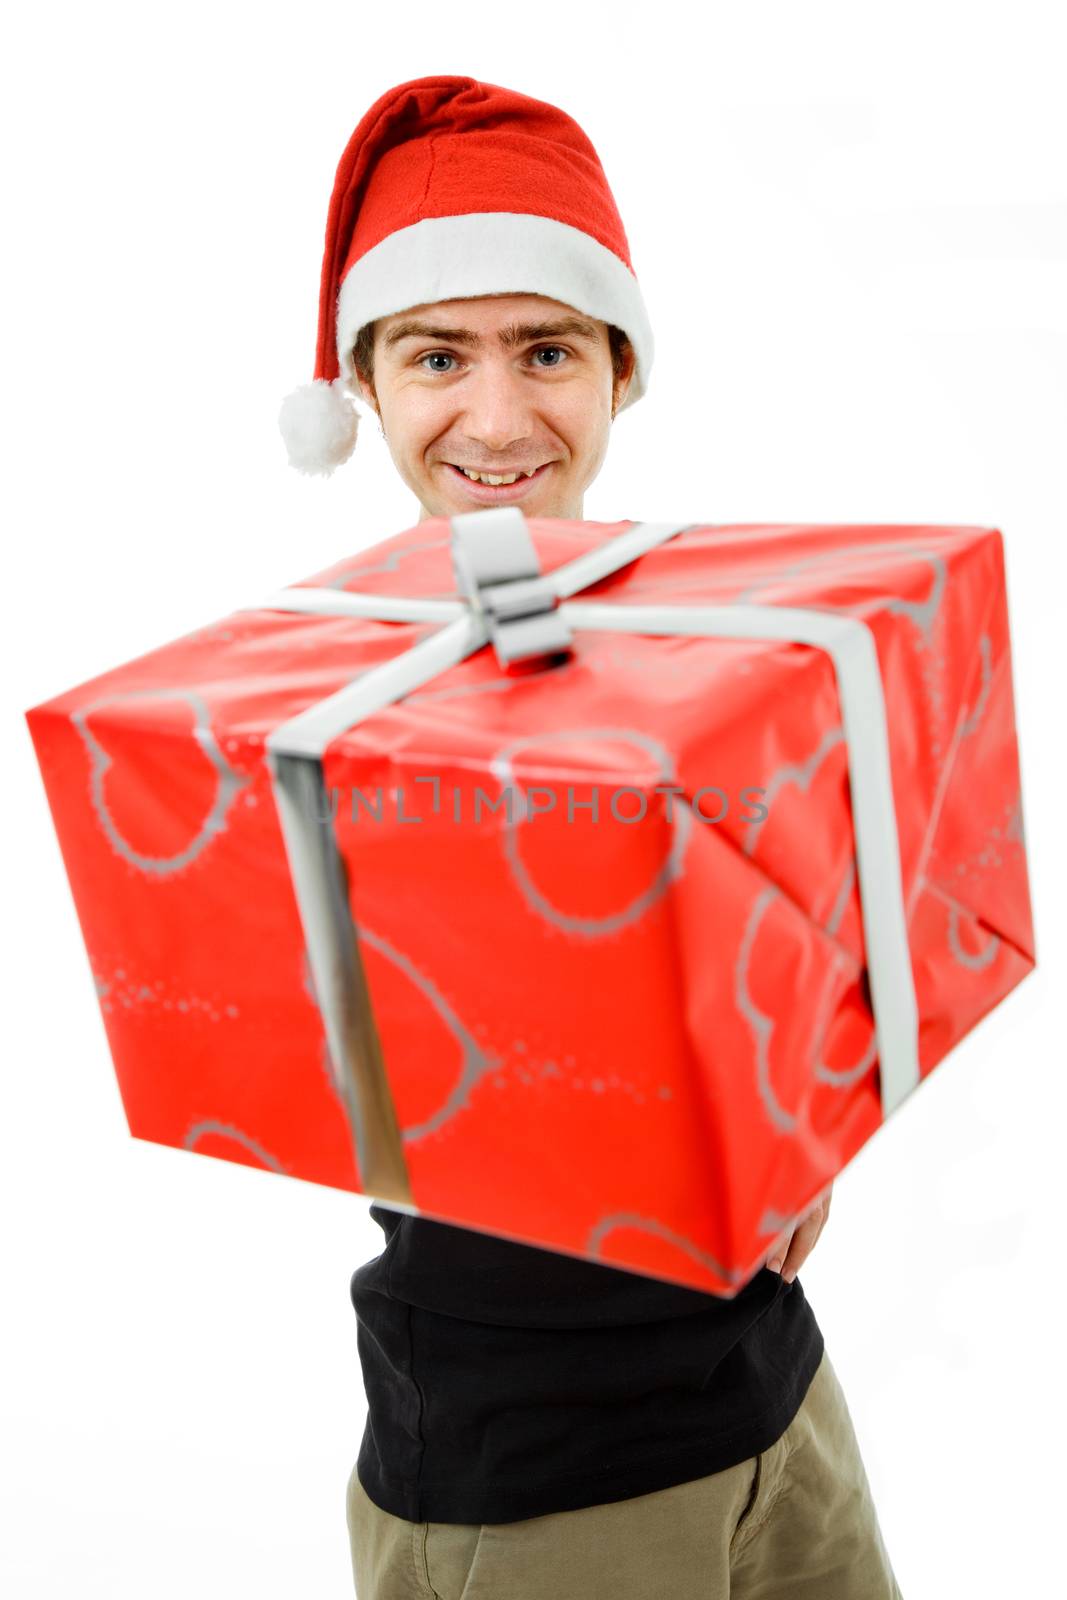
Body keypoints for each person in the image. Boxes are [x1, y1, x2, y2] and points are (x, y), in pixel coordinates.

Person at [279, 75, 903, 1600]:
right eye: (438, 357)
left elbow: (762, 948)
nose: (498, 420)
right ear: (365, 384)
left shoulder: (682, 647)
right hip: (542, 1474)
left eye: (547, 351)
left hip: (776, 1395)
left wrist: (802, 1107)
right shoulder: (317, 730)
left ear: (621, 371)